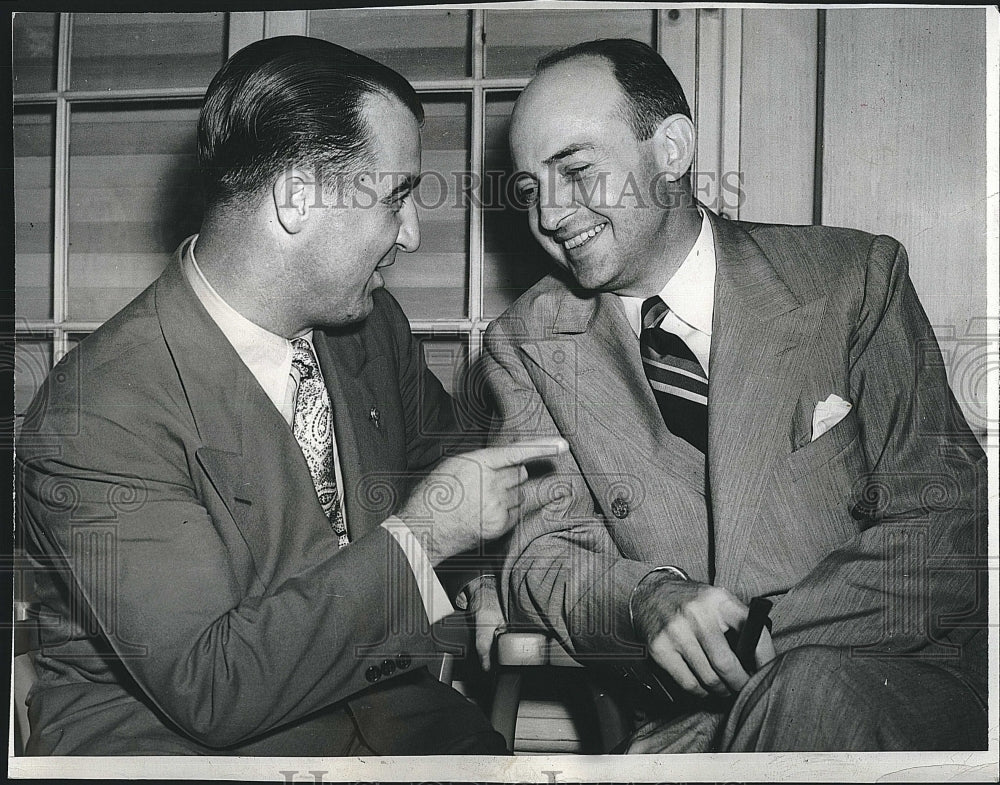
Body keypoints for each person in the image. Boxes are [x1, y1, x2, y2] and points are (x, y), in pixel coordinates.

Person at [15, 36, 568, 756]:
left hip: (393, 725)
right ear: (296, 198)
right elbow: (214, 686)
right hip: (181, 755)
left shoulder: (369, 331)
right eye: (396, 196)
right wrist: (428, 536)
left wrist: (491, 568)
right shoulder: (94, 413)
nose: (411, 231)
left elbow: (456, 466)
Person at [482, 38, 987, 751]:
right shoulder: (526, 342)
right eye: (532, 189)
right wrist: (648, 600)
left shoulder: (851, 279)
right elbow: (545, 557)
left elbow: (947, 529)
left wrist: (754, 635)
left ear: (672, 149)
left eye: (576, 170)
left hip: (886, 692)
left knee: (806, 696)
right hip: (681, 722)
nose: (552, 214)